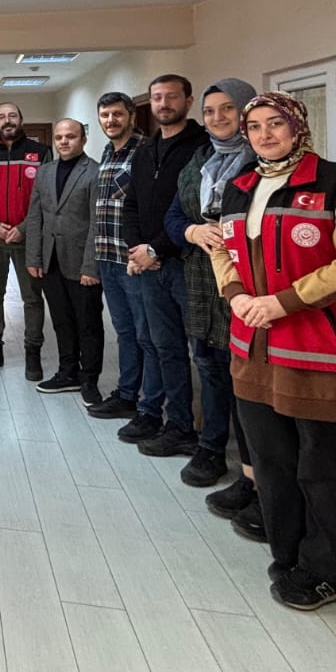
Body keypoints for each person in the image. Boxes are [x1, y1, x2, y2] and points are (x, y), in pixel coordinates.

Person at [207, 92, 336, 611]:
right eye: (255, 127)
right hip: (254, 346)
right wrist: (237, 296)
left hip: (324, 349)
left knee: (324, 467)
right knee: (271, 462)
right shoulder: (241, 186)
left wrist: (282, 302)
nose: (265, 135)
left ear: (297, 126)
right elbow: (224, 249)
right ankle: (289, 556)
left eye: (275, 124)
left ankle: (333, 571)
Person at [164, 79, 257, 492]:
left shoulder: (263, 163)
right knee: (210, 367)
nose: (218, 118)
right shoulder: (199, 161)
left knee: (247, 379)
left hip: (248, 284)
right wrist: (192, 232)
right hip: (201, 280)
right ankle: (211, 448)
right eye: (209, 111)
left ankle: (255, 471)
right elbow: (173, 216)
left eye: (228, 109)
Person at [118, 75, 205, 457]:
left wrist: (156, 249)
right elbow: (131, 205)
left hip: (189, 265)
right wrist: (138, 249)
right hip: (150, 267)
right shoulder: (145, 150)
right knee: (164, 348)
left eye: (171, 96)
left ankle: (208, 436)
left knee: (205, 356)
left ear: (188, 100)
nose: (163, 103)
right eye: (156, 97)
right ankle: (175, 423)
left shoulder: (202, 147)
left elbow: (199, 212)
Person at [0, 102, 52, 379]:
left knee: (32, 297)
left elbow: (47, 195)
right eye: (2, 117)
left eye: (12, 115)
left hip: (28, 238)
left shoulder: (40, 152)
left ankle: (33, 353)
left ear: (21, 119)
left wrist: (24, 228)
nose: (7, 120)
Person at [23, 119, 103, 400]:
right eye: (59, 138)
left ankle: (89, 379)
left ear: (83, 139)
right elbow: (35, 216)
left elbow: (97, 223)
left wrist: (91, 266)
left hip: (81, 264)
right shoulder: (44, 172)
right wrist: (33, 257)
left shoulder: (94, 172)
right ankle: (67, 372)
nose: (64, 142)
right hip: (51, 260)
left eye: (70, 136)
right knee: (61, 321)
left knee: (88, 323)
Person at [86, 93, 149, 419]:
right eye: (105, 115)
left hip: (133, 260)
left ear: (131, 116)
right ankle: (127, 395)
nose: (110, 120)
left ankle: (150, 404)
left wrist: (142, 251)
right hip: (107, 256)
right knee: (125, 332)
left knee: (145, 334)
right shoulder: (107, 152)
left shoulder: (145, 152)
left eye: (117, 114)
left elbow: (149, 207)